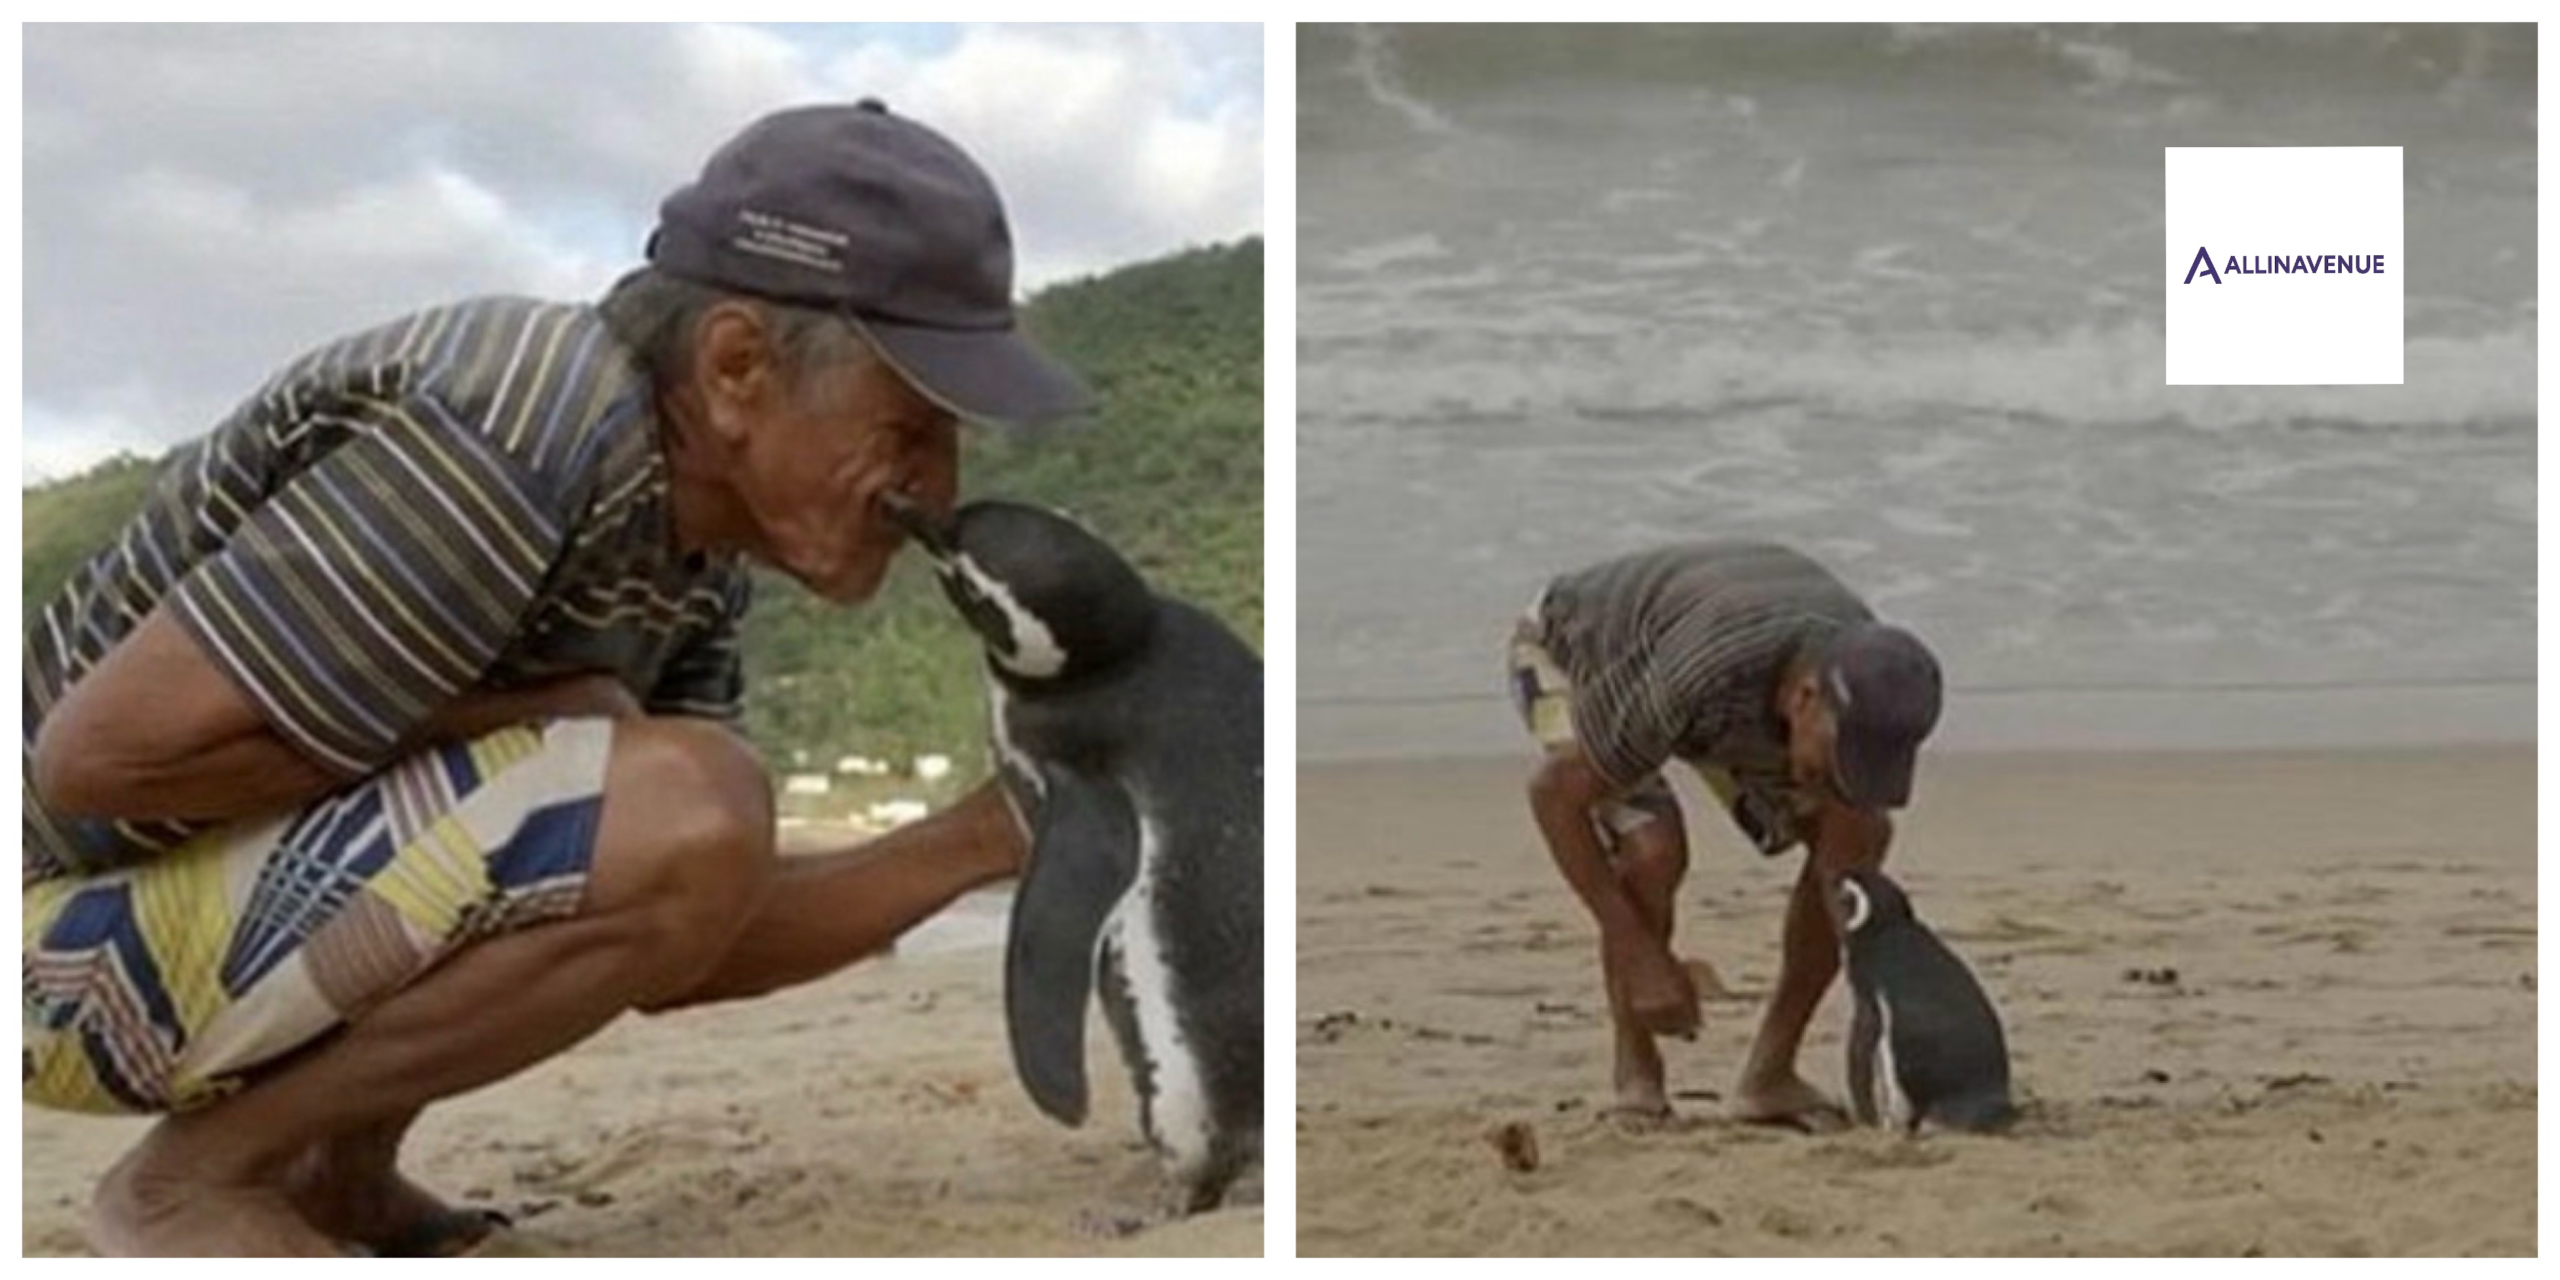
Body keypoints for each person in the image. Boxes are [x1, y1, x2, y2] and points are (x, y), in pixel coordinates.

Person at [23, 100, 1089, 1257]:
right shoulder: (517, 426)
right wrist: (531, 713)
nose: (935, 483)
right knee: (685, 791)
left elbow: (683, 921)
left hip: (171, 937)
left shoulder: (688, 556)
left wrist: (991, 831)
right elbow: (96, 762)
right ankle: (194, 1184)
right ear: (736, 366)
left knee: (688, 803)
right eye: (911, 424)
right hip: (53, 941)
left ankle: (334, 1172)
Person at [1507, 541, 1943, 1128]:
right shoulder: (1703, 670)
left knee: (1855, 837)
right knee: (1653, 849)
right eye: (1842, 756)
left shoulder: (1870, 671)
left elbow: (1846, 832)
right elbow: (1554, 795)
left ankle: (1769, 1078)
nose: (1845, 776)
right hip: (1579, 648)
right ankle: (1636, 1075)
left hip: (1730, 693)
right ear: (1805, 700)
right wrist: (1641, 953)